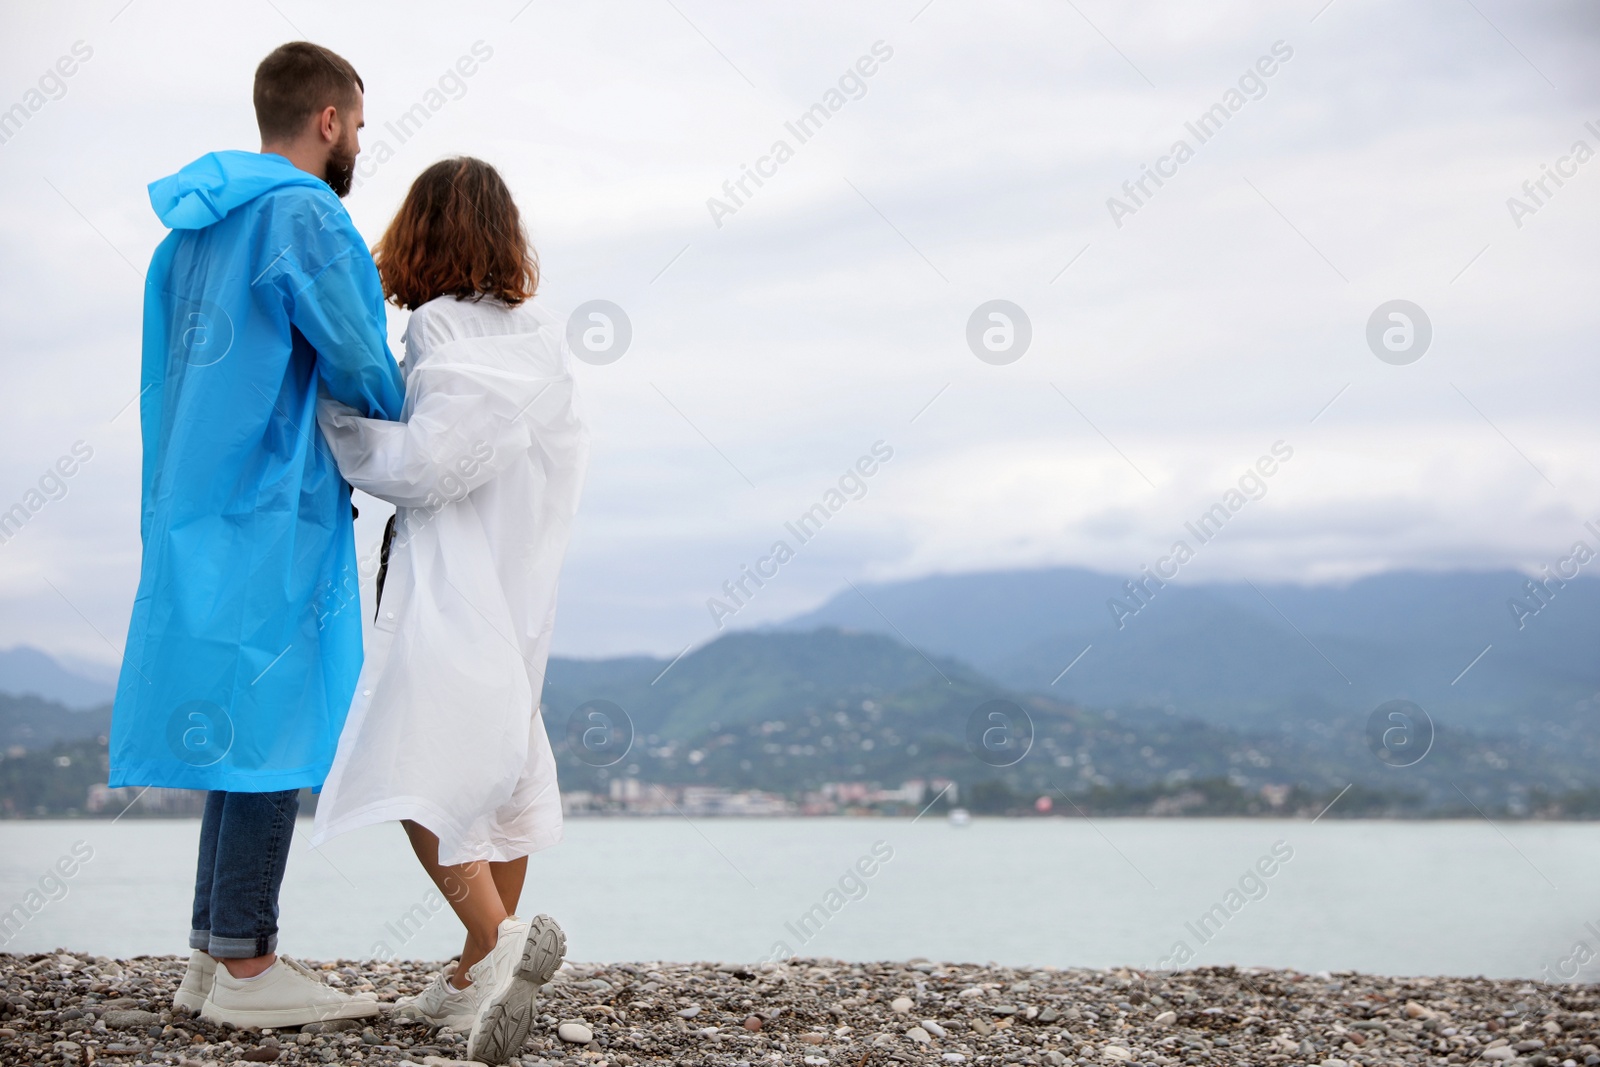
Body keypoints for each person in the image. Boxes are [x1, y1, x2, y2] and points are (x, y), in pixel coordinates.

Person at [108, 42, 405, 1027]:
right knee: (273, 729)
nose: (357, 142)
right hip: (274, 501)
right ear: (327, 119)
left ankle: (211, 951)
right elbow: (360, 355)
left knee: (237, 730)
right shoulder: (305, 213)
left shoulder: (189, 232)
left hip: (194, 505)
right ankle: (248, 966)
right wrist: (410, 421)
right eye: (357, 125)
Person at [309, 156, 587, 1064]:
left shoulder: (437, 325)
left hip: (447, 580)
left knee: (414, 766)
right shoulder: (538, 338)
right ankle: (477, 970)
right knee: (502, 770)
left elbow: (432, 464)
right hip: (520, 582)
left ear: (422, 232)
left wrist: (342, 429)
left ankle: (500, 943)